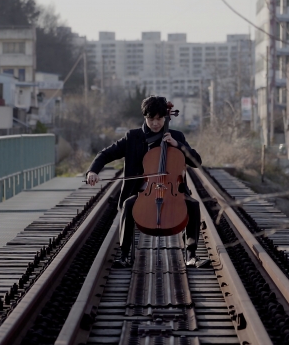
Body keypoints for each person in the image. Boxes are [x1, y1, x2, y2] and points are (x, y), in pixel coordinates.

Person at [86, 96, 204, 267]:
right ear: (144, 117)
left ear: (165, 117)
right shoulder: (133, 137)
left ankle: (191, 255)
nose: (156, 123)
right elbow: (106, 154)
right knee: (128, 205)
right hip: (142, 192)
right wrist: (93, 171)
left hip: (172, 191)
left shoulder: (176, 136)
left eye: (159, 118)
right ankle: (125, 255)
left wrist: (177, 145)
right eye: (151, 119)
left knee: (193, 205)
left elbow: (196, 162)